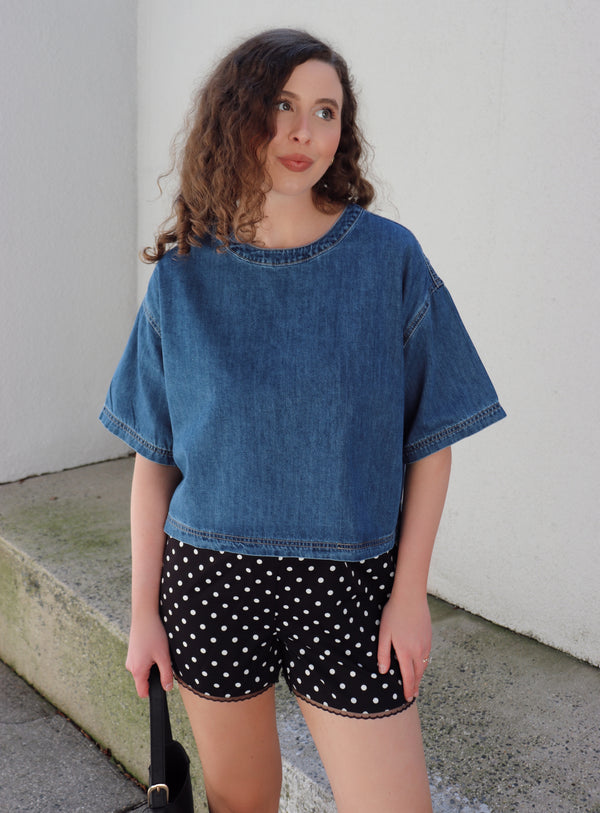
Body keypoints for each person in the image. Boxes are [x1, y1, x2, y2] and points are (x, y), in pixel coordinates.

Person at [100, 28, 505, 813]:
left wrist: (411, 594)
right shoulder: (183, 278)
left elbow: (432, 442)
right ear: (236, 116)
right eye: (282, 105)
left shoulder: (387, 258)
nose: (304, 131)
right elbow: (156, 465)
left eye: (326, 111)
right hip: (211, 579)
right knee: (241, 803)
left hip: (351, 585)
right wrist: (143, 612)